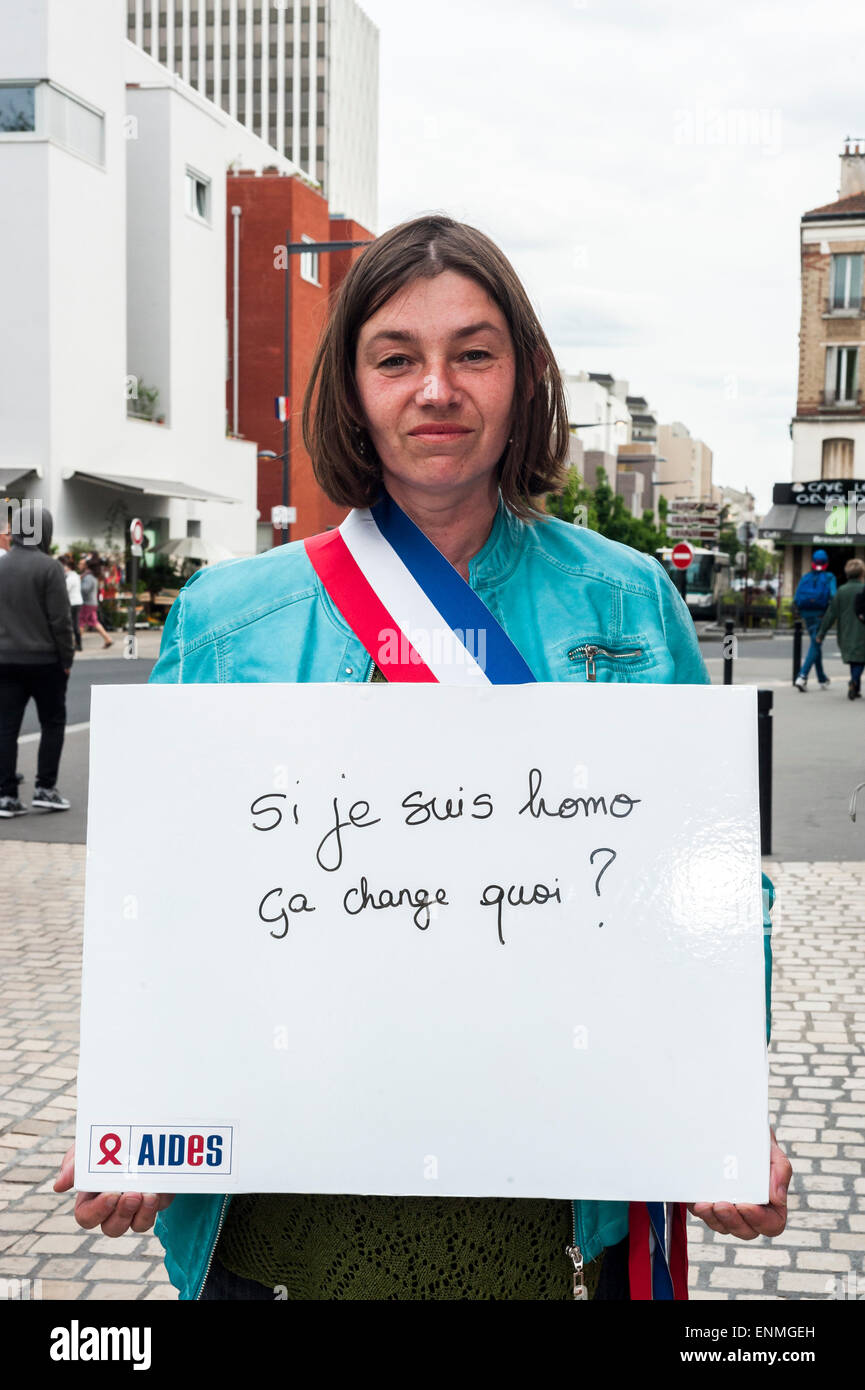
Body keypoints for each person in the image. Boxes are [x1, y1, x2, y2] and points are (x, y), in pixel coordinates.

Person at [54, 214, 791, 1299]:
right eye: (396, 357)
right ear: (352, 388)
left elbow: (716, 893)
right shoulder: (226, 618)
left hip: (543, 1230)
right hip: (279, 1235)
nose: (436, 388)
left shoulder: (625, 601)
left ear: (523, 379)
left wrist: (716, 1110)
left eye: (472, 353)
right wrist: (137, 1114)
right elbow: (168, 906)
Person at [0, 504, 74, 816]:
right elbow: (60, 620)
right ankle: (45, 788)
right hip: (45, 661)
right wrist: (66, 657)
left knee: (5, 727)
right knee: (52, 722)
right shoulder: (49, 568)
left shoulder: (1, 566)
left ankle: (5, 795)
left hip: (4, 660)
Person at [815, 556, 865, 700]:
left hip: (846, 631)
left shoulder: (841, 591)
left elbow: (831, 614)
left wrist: (821, 633)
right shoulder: (863, 589)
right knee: (860, 659)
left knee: (854, 659)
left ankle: (855, 686)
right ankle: (854, 682)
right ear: (862, 573)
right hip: (862, 630)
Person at [793, 548, 836, 691]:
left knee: (815, 643)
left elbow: (796, 598)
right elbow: (833, 596)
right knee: (816, 644)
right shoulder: (829, 577)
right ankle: (802, 676)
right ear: (826, 563)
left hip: (806, 614)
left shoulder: (805, 577)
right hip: (820, 615)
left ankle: (822, 678)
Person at [78, 556, 113, 649]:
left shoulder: (88, 577)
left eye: (81, 564)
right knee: (94, 622)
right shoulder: (92, 576)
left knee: (81, 622)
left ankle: (77, 643)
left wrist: (78, 585)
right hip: (92, 603)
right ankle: (108, 639)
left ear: (86, 566)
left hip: (87, 603)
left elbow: (85, 589)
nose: (79, 565)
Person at [62, 555, 83, 653]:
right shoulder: (76, 575)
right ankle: (78, 644)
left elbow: (65, 589)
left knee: (72, 624)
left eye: (64, 566)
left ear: (68, 567)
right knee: (75, 624)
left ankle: (76, 644)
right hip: (77, 601)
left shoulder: (71, 577)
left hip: (72, 602)